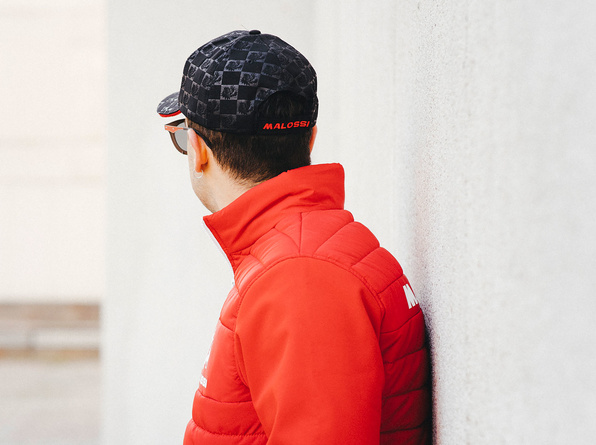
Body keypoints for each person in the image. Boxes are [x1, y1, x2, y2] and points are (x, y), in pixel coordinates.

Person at [158, 30, 432, 445]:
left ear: (197, 150)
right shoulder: (300, 256)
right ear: (310, 139)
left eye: (180, 137)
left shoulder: (300, 276)